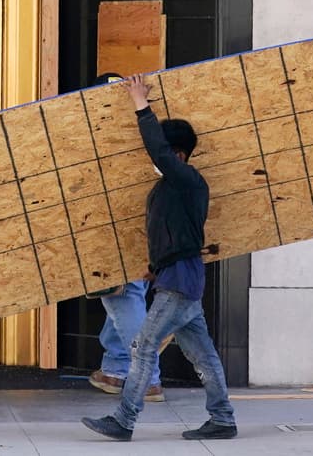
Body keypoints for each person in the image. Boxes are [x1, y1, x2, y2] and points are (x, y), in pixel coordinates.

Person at [81, 73, 237, 443]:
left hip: (180, 283)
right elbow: (175, 236)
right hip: (177, 277)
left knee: (143, 346)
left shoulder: (188, 180)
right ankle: (223, 418)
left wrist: (140, 103)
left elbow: (157, 149)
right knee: (204, 356)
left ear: (178, 155)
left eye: (166, 154)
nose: (156, 160)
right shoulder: (171, 189)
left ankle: (124, 419)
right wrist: (153, 270)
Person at [86, 73, 165, 404]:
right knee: (125, 296)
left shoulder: (103, 136)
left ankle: (148, 378)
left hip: (116, 230)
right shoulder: (130, 135)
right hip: (142, 229)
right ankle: (117, 368)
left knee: (123, 297)